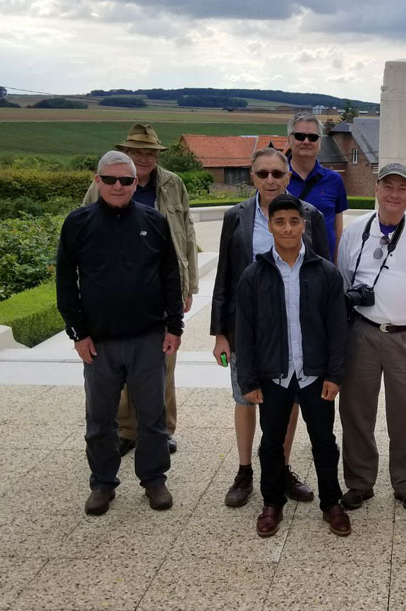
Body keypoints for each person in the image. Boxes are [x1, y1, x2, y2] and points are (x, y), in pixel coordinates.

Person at [58, 150, 183, 515]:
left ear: (134, 183)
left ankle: (154, 480)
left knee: (152, 417)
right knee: (99, 420)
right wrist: (77, 333)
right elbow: (66, 282)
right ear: (97, 181)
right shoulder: (77, 223)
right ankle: (102, 483)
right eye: (110, 179)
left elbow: (170, 276)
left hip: (147, 338)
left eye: (126, 180)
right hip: (99, 342)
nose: (118, 186)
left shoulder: (154, 221)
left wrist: (174, 326)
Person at [211, 148, 329, 509]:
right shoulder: (236, 216)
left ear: (288, 176)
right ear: (252, 177)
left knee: (289, 398)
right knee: (247, 397)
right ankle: (246, 470)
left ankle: (281, 467)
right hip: (247, 326)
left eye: (277, 173)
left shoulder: (310, 217)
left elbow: (324, 273)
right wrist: (220, 332)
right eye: (262, 174)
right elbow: (225, 275)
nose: (270, 180)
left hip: (294, 326)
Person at [234, 194, 351, 538]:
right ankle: (272, 502)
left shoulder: (325, 273)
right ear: (269, 226)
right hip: (274, 376)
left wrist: (335, 374)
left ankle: (331, 502)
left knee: (324, 441)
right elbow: (245, 332)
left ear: (305, 225)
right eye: (279, 222)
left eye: (294, 221)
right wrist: (249, 379)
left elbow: (337, 330)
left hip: (315, 374)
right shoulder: (254, 275)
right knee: (271, 441)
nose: (287, 228)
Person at [81, 123, 197, 457]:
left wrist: (188, 286)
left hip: (163, 286)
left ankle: (163, 430)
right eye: (137, 152)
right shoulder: (106, 181)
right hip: (116, 290)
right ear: (126, 154)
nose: (143, 158)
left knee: (163, 362)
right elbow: (85, 228)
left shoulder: (174, 183)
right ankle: (126, 429)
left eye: (149, 152)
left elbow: (186, 234)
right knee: (118, 362)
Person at [336, 163, 406, 512]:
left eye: (402, 187)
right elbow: (343, 279)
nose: (395, 194)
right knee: (356, 411)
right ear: (376, 189)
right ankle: (359, 482)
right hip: (363, 334)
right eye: (388, 186)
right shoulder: (356, 231)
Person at [286, 113, 348, 259]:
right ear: (289, 139)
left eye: (313, 137)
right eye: (300, 136)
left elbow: (338, 231)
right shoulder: (275, 178)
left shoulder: (334, 180)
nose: (306, 141)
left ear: (319, 142)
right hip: (285, 268)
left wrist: (336, 269)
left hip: (323, 269)